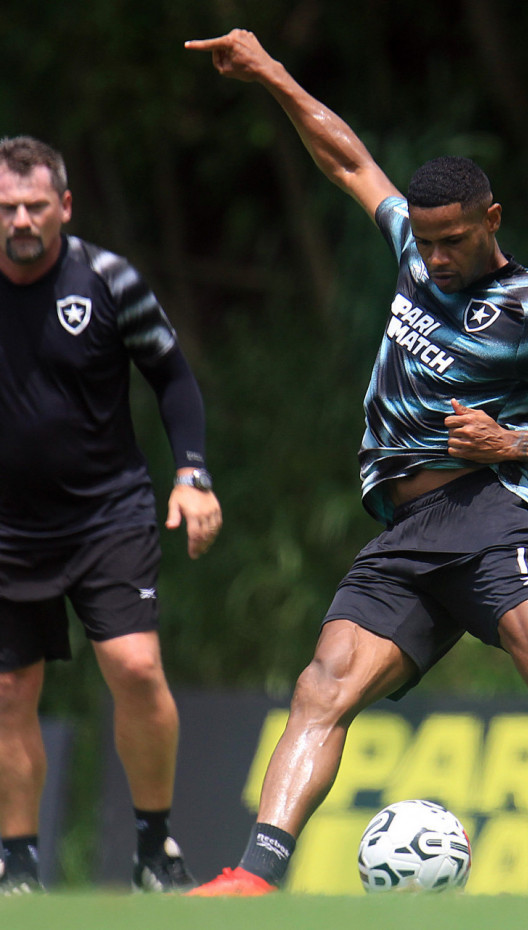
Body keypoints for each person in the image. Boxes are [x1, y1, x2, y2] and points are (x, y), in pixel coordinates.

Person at [183, 30, 528, 897]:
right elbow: (348, 160)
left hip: (485, 514)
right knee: (324, 686)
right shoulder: (415, 258)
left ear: (489, 220)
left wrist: (517, 444)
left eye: (452, 240)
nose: (435, 256)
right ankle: (255, 876)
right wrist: (270, 72)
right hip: (406, 530)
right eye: (424, 241)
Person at [0, 136, 222, 894]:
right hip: (6, 530)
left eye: (35, 205)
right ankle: (18, 864)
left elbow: (173, 378)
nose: (20, 220)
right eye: (6, 208)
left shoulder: (107, 278)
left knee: (134, 666)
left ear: (64, 206)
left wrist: (192, 474)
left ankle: (153, 846)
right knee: (6, 692)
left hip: (108, 513)